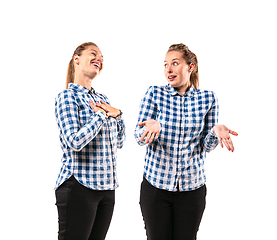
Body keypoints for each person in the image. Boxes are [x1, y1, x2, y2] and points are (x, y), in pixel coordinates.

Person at [134, 43, 238, 240]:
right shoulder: (154, 93)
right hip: (156, 189)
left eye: (174, 63)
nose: (168, 69)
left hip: (192, 190)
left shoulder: (208, 98)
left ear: (191, 67)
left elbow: (205, 146)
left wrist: (215, 132)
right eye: (165, 65)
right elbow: (138, 137)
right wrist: (151, 128)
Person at [54, 42, 125, 240]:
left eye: (102, 58)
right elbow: (74, 142)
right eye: (93, 54)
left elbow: (119, 142)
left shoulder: (102, 99)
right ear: (76, 59)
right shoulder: (67, 97)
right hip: (78, 186)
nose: (99, 59)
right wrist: (101, 116)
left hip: (106, 188)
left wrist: (118, 114)